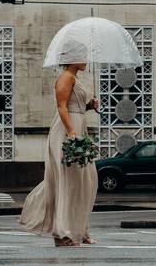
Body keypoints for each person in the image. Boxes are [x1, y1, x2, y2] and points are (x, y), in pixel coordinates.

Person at [20, 56, 100, 247]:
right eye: (82, 57)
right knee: (68, 181)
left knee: (81, 181)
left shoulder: (74, 78)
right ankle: (63, 233)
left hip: (78, 127)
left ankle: (79, 230)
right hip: (66, 131)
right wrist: (71, 132)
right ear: (72, 59)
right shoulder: (65, 77)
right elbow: (61, 106)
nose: (86, 61)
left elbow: (74, 106)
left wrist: (89, 106)